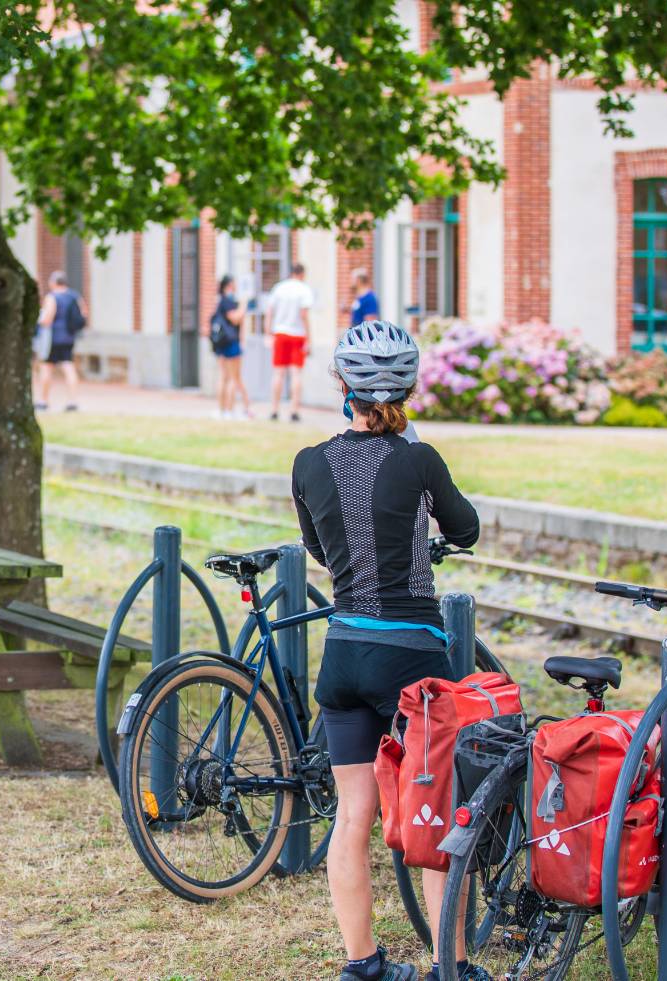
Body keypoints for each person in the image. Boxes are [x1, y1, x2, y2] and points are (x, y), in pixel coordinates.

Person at [291, 321, 483, 981]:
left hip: (342, 653)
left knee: (353, 813)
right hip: (412, 659)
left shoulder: (310, 461)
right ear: (407, 386)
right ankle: (447, 965)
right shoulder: (418, 458)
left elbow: (320, 547)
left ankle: (362, 963)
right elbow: (466, 529)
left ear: (344, 386)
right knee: (430, 812)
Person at [266, 263, 316, 422]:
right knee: (296, 373)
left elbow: (269, 312)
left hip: (280, 333)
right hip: (297, 335)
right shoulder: (304, 290)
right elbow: (304, 315)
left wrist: (268, 333)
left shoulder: (279, 288)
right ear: (302, 274)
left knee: (278, 373)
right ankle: (294, 410)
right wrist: (309, 338)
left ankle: (274, 409)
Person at [35, 271, 87, 412]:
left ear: (53, 282)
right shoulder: (75, 296)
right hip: (69, 337)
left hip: (53, 339)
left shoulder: (52, 297)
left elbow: (47, 319)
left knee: (46, 367)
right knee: (69, 366)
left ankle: (43, 400)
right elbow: (83, 314)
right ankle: (73, 400)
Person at [203, 275, 250, 419]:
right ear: (229, 285)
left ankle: (222, 410)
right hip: (231, 343)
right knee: (232, 378)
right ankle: (229, 410)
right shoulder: (228, 301)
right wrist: (243, 306)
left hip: (222, 344)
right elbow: (235, 319)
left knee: (224, 377)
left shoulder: (220, 302)